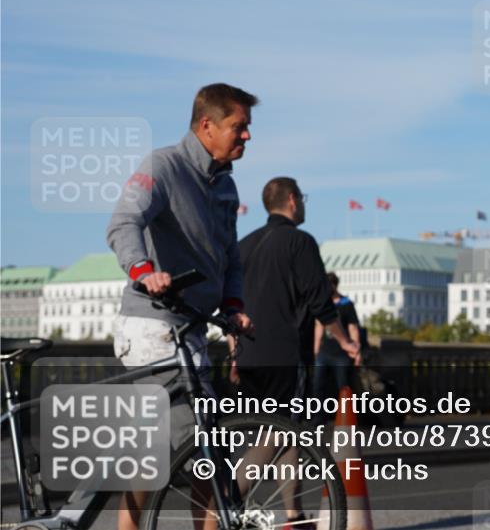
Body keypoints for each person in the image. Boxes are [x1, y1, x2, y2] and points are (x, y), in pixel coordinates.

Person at [107, 82, 258, 530]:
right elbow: (123, 222)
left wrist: (233, 305)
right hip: (151, 324)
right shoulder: (163, 166)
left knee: (203, 451)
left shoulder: (225, 186)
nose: (247, 136)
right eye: (239, 127)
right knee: (190, 445)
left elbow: (229, 255)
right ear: (206, 125)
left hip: (189, 329)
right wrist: (142, 270)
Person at [229, 177, 357, 530]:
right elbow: (320, 302)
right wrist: (345, 342)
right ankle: (225, 500)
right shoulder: (299, 242)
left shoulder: (245, 245)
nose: (303, 204)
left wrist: (234, 354)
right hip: (285, 354)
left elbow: (231, 304)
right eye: (302, 197)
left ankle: (294, 517)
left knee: (283, 434)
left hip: (249, 354)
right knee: (278, 436)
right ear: (291, 200)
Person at [312, 272, 363, 409]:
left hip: (342, 353)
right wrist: (316, 350)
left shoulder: (346, 304)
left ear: (334, 285)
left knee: (343, 386)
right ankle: (318, 418)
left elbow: (353, 328)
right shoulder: (323, 304)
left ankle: (345, 416)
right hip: (325, 352)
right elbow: (319, 327)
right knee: (318, 385)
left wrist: (356, 350)